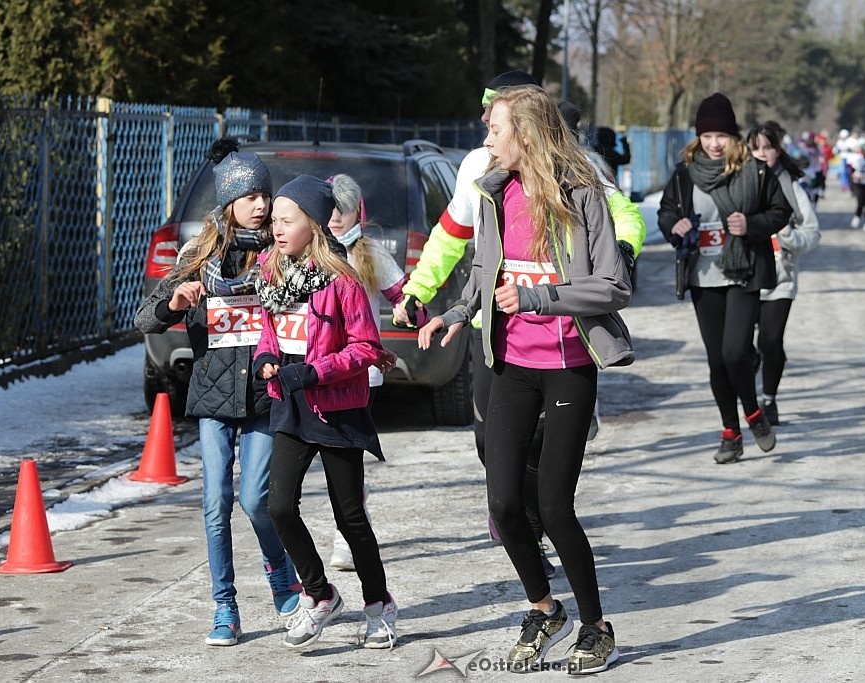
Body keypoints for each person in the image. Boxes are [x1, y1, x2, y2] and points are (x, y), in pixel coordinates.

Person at [392, 71, 646, 580]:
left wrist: (617, 254)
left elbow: (626, 220)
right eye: (486, 112)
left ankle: (541, 525)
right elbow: (452, 236)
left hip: (565, 338)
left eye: (495, 115)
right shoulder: (480, 171)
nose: (486, 123)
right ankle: (522, 524)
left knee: (546, 471)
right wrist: (421, 294)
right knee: (492, 448)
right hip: (499, 333)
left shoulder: (583, 173)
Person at [133, 140, 301, 647]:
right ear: (229, 199)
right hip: (211, 399)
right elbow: (144, 318)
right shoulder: (198, 254)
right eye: (249, 194)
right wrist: (174, 304)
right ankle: (225, 608)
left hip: (262, 394)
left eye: (264, 195)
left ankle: (283, 581)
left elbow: (312, 304)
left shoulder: (278, 255)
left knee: (256, 501)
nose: (260, 204)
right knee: (214, 503)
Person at [253, 174, 398, 651]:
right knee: (277, 506)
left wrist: (314, 372)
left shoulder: (343, 280)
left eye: (286, 221)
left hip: (336, 406)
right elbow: (270, 331)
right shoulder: (271, 269)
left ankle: (379, 605)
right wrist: (265, 358)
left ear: (312, 225)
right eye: (274, 220)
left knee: (350, 515)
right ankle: (320, 595)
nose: (276, 228)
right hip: (291, 405)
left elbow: (366, 347)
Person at [657, 92, 791, 464]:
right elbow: (667, 212)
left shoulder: (755, 171)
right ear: (698, 137)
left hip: (743, 271)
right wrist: (674, 225)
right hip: (703, 276)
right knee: (717, 360)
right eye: (707, 136)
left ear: (733, 137)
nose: (714, 144)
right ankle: (731, 432)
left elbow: (780, 211)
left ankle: (753, 412)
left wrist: (752, 225)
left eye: (722, 136)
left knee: (735, 352)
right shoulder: (685, 174)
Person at [324, 173, 424, 571]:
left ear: (358, 212)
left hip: (361, 374)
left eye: (344, 210)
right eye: (330, 209)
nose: (336, 218)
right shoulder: (308, 252)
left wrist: (410, 311)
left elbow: (406, 296)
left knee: (348, 459)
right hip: (316, 371)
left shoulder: (370, 253)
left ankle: (346, 534)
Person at [746, 122, 822, 427]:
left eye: (768, 147)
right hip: (744, 276)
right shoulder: (737, 182)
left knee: (770, 342)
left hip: (780, 278)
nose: (762, 154)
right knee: (740, 348)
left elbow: (813, 233)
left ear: (778, 150)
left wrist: (788, 236)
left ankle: (769, 399)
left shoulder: (791, 187)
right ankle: (750, 396)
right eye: (756, 148)